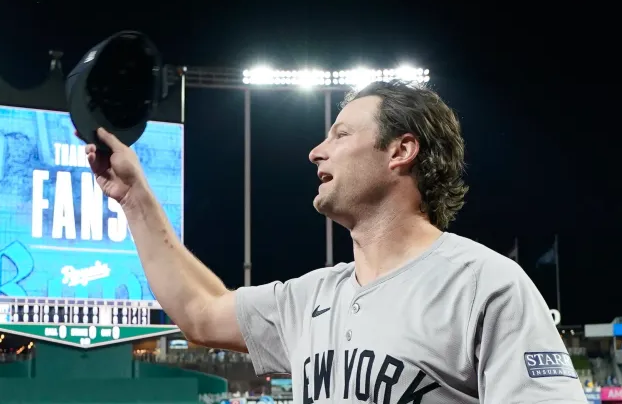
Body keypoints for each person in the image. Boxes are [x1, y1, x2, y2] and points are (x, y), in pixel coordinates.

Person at [83, 80, 587, 403]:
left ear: (401, 150)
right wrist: (135, 198)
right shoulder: (311, 298)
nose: (315, 152)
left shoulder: (483, 285)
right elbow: (198, 311)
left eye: (341, 135)